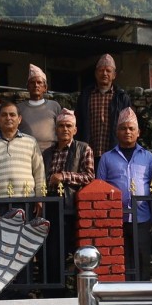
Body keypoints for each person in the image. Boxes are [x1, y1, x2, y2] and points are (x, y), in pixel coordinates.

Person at [96, 108, 152, 280]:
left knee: (142, 259)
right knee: (120, 259)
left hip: (142, 218)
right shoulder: (107, 158)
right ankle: (122, 291)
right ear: (117, 132)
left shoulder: (148, 157)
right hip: (116, 218)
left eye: (131, 128)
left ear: (138, 132)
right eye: (123, 128)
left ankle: (142, 291)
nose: (127, 132)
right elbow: (100, 188)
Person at [43, 108, 95, 257]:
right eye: (61, 126)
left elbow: (89, 176)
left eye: (68, 126)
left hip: (70, 203)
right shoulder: (47, 153)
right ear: (55, 130)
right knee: (51, 246)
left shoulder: (83, 148)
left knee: (69, 246)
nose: (65, 129)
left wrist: (64, 176)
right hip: (50, 203)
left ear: (75, 130)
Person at [0, 100, 44, 199]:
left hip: (27, 201)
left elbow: (39, 173)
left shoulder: (31, 142)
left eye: (12, 115)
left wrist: (40, 198)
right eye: (4, 115)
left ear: (19, 119)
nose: (8, 118)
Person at [75, 54, 132, 157]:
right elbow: (78, 123)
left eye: (108, 71)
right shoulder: (85, 96)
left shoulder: (122, 98)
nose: (104, 73)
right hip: (88, 153)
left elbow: (128, 125)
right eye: (101, 70)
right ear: (96, 73)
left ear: (114, 75)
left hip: (114, 152)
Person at [17, 64, 62, 153]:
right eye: (32, 83)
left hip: (51, 153)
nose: (36, 85)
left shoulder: (54, 106)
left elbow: (61, 129)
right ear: (27, 87)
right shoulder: (19, 108)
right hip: (26, 152)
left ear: (45, 88)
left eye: (39, 82)